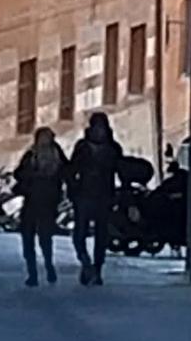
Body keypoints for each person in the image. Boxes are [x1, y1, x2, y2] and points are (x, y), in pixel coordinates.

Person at [68, 109, 123, 284]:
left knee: (102, 234)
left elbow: (121, 170)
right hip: (83, 194)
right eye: (96, 127)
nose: (99, 131)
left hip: (104, 195)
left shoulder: (113, 149)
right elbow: (72, 170)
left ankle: (97, 268)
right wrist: (72, 189)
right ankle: (85, 262)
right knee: (79, 233)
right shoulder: (82, 147)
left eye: (102, 127)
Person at [12, 127, 68, 285]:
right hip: (41, 201)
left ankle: (40, 270)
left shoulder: (38, 155)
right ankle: (41, 270)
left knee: (36, 237)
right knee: (38, 237)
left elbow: (19, 174)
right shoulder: (43, 155)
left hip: (40, 201)